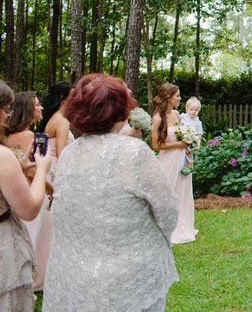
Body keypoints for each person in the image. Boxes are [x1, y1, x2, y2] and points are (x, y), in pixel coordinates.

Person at [43, 74, 179, 311]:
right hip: (129, 272)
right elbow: (168, 210)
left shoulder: (69, 153)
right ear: (120, 110)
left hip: (76, 269)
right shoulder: (134, 151)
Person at [0, 80, 51, 311]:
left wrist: (19, 168)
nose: (6, 116)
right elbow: (29, 210)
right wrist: (41, 169)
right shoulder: (2, 156)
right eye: (4, 109)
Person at [27, 82, 74, 290]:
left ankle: (40, 272)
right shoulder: (62, 121)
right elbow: (63, 154)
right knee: (52, 227)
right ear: (64, 99)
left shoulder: (51, 119)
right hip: (56, 173)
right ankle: (45, 277)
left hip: (47, 170)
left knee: (46, 226)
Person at [152, 83, 198, 244]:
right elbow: (156, 145)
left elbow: (182, 135)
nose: (180, 98)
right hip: (168, 161)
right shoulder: (158, 118)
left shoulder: (178, 115)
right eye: (177, 95)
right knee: (169, 193)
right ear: (168, 97)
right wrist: (179, 145)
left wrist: (189, 144)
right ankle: (169, 228)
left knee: (183, 193)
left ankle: (185, 225)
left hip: (182, 159)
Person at [179, 97, 203, 175]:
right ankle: (180, 166)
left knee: (189, 153)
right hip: (181, 138)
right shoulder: (183, 117)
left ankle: (189, 167)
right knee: (181, 153)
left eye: (196, 110)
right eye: (191, 109)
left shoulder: (197, 122)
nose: (193, 112)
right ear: (187, 109)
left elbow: (199, 133)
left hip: (191, 140)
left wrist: (197, 143)